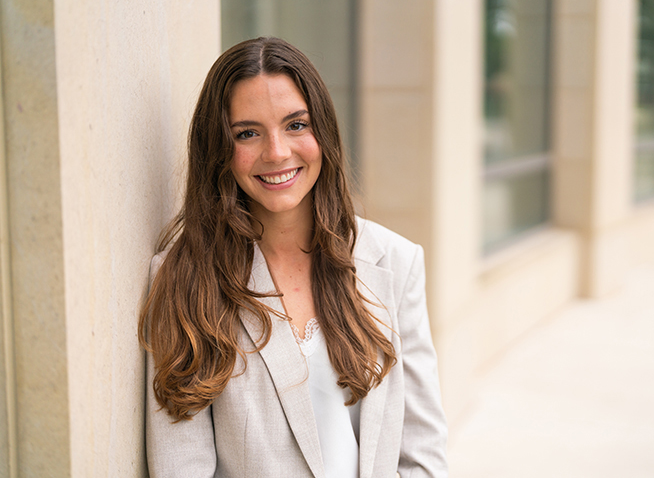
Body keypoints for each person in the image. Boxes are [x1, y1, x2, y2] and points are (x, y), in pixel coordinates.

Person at [139, 37, 448, 478]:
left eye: (296, 125)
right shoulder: (185, 278)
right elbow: (179, 466)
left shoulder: (396, 262)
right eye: (247, 133)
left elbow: (422, 455)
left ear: (322, 130)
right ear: (219, 151)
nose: (277, 152)